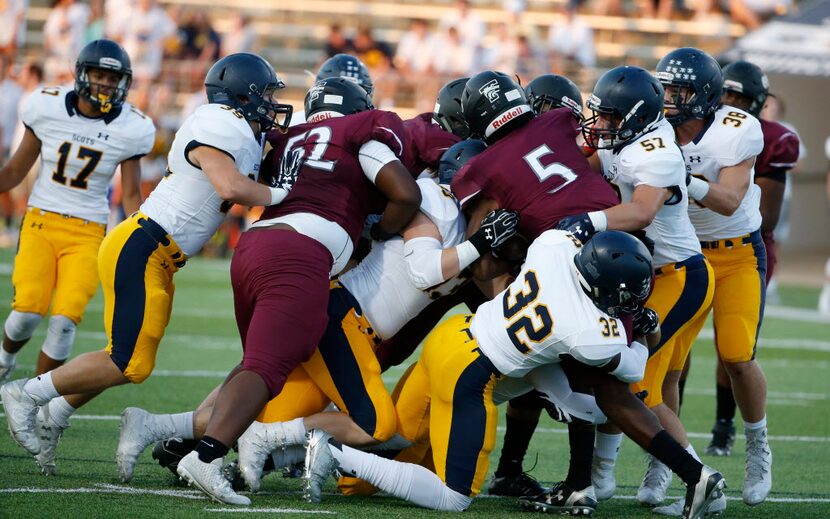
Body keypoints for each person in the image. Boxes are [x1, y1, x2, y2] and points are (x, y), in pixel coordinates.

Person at [0, 51, 288, 476]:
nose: (269, 102)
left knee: (135, 364)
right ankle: (26, 393)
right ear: (241, 94)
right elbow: (230, 185)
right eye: (264, 93)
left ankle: (55, 412)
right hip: (143, 244)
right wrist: (284, 197)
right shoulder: (219, 122)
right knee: (124, 358)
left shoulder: (241, 130)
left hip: (158, 256)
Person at [303, 231, 725, 519]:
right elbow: (633, 366)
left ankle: (281, 440)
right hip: (471, 372)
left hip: (455, 333)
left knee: (381, 453)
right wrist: (645, 328)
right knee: (452, 496)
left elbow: (568, 231)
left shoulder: (554, 248)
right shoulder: (588, 331)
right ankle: (330, 452)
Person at [173, 76, 421, 506]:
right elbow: (407, 193)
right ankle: (206, 456)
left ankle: (180, 439)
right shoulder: (363, 134)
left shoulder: (292, 140)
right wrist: (379, 231)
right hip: (300, 254)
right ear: (359, 108)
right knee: (266, 369)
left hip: (253, 246)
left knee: (259, 363)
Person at [558, 66, 720, 514]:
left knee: (631, 381)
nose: (603, 125)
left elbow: (643, 212)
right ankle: (604, 476)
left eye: (611, 117)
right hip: (648, 276)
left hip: (679, 276)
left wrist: (589, 222)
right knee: (639, 379)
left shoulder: (655, 151)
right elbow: (579, 169)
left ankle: (699, 479)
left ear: (634, 116)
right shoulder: (626, 140)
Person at [655, 47, 771, 508]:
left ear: (703, 95)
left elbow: (726, 200)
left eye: (678, 89)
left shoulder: (736, 130)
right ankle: (666, 462)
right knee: (669, 364)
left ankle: (758, 447)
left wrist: (684, 174)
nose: (668, 97)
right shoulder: (656, 128)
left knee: (737, 355)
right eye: (665, 87)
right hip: (684, 254)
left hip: (738, 255)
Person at [0, 39, 151, 389]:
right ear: (82, 74)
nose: (106, 85)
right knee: (26, 313)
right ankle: (5, 359)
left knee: (65, 321)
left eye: (113, 79)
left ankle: (31, 396)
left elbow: (130, 194)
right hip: (42, 220)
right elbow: (13, 173)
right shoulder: (47, 106)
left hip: (89, 231)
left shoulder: (131, 127)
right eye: (100, 75)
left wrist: (142, 238)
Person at [704, 60, 799, 457]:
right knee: (672, 351)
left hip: (744, 247)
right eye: (727, 95)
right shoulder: (690, 127)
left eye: (741, 98)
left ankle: (726, 426)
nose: (732, 104)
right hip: (688, 246)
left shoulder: (771, 138)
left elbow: (766, 217)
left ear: (757, 103)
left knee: (735, 350)